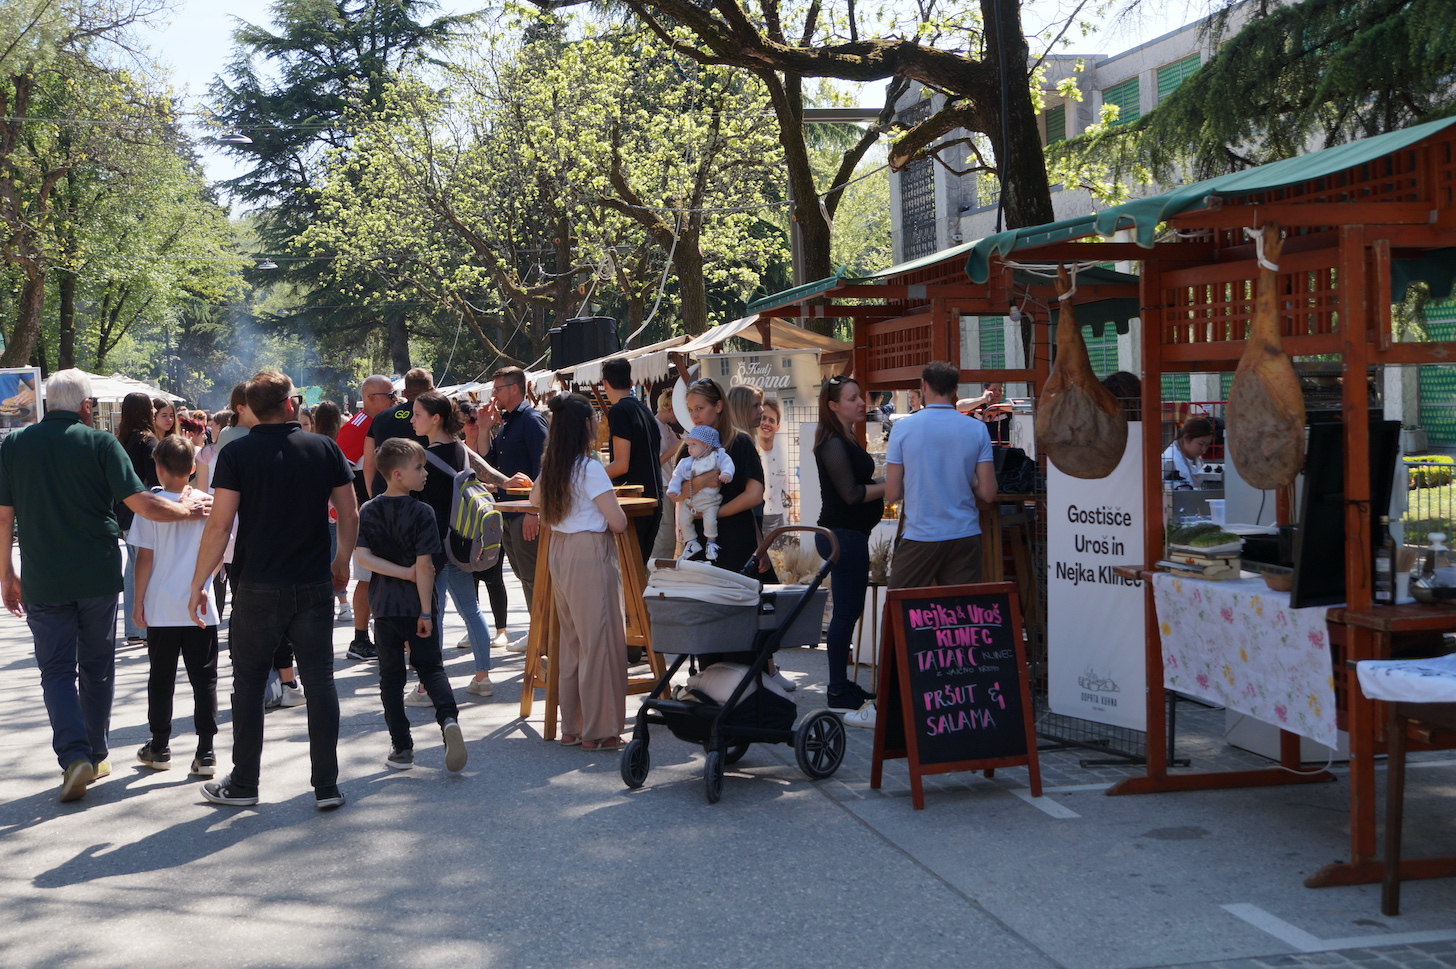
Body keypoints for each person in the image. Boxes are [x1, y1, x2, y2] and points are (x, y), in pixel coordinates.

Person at [0, 369, 211, 803]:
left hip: (42, 576)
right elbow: (143, 505)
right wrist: (190, 512)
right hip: (96, 573)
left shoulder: (14, 445)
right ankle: (95, 753)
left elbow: (4, 516)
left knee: (56, 670)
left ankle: (74, 754)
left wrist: (5, 572)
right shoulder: (100, 443)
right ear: (85, 406)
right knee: (96, 666)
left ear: (44, 404)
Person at [189, 370, 358, 811]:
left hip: (258, 584)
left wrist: (199, 581)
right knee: (320, 682)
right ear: (289, 404)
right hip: (314, 581)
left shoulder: (238, 453)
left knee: (247, 684)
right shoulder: (323, 447)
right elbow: (349, 511)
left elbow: (220, 524)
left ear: (250, 407)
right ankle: (326, 785)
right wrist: (341, 561)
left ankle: (244, 783)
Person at [355, 437, 467, 773]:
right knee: (431, 668)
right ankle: (448, 720)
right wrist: (425, 611)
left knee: (390, 679)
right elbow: (425, 566)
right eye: (418, 467)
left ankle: (402, 747)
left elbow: (363, 557)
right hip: (416, 605)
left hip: (384, 606)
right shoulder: (423, 512)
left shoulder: (369, 509)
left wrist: (398, 572)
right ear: (397, 474)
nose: (425, 473)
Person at [530, 393, 629, 752]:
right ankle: (600, 730)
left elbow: (535, 501)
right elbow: (617, 522)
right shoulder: (589, 468)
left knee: (572, 643)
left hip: (560, 550)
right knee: (599, 642)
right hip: (589, 551)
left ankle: (572, 726)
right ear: (586, 425)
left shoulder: (553, 465)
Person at [131, 435, 220, 776]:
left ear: (159, 467)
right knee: (204, 679)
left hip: (161, 603)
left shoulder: (150, 505)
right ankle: (205, 751)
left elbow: (144, 559)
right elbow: (218, 553)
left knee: (162, 676)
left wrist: (138, 602)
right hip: (200, 604)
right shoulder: (207, 503)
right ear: (194, 467)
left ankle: (160, 744)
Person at [409, 390, 503, 700]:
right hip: (463, 541)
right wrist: (506, 482)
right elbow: (483, 472)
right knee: (471, 610)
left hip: (434, 546)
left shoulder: (422, 458)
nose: (412, 420)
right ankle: (483, 677)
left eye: (417, 415)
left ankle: (427, 685)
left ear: (435, 419)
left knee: (433, 614)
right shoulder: (461, 449)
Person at [884, 360, 997, 589]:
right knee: (960, 616)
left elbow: (892, 492)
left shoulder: (902, 429)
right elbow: (988, 492)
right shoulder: (977, 429)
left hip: (921, 535)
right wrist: (969, 481)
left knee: (901, 611)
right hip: (964, 534)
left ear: (923, 385)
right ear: (955, 389)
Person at [813, 375, 886, 726]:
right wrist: (890, 486)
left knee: (848, 611)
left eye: (861, 397)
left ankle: (841, 685)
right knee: (845, 613)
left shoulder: (844, 438)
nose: (861, 402)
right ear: (833, 405)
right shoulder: (831, 444)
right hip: (841, 535)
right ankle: (838, 690)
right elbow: (852, 494)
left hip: (848, 534)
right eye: (852, 398)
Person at [678, 378, 772, 577]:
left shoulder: (740, 442)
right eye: (690, 409)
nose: (694, 415)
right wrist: (701, 482)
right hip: (700, 543)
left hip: (736, 539)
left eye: (700, 408)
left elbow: (754, 496)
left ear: (718, 406)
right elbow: (676, 494)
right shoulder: (687, 449)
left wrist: (715, 513)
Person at [483, 366, 547, 635]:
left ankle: (544, 636)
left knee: (534, 576)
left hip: (525, 512)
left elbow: (545, 467)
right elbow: (490, 467)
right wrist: (485, 429)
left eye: (497, 389)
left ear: (514, 389)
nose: (493, 394)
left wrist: (534, 510)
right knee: (524, 575)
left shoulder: (531, 419)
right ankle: (539, 633)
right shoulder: (508, 422)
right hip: (509, 512)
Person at [337, 375, 397, 658]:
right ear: (372, 398)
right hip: (366, 516)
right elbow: (338, 475)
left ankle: (377, 637)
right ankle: (360, 639)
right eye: (390, 394)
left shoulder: (378, 422)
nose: (395, 399)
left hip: (377, 512)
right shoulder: (356, 427)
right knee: (367, 578)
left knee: (377, 577)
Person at [454, 399, 511, 653]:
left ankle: (501, 630)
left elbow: (499, 479)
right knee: (469, 577)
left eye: (477, 419)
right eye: (471, 421)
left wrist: (488, 485)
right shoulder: (459, 451)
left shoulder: (491, 446)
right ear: (462, 425)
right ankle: (474, 628)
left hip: (489, 517)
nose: (475, 425)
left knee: (494, 575)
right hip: (465, 519)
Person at [600, 357, 662, 566]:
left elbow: (621, 464)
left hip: (634, 502)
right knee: (638, 571)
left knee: (628, 574)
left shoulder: (618, 411)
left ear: (605, 384)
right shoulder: (644, 410)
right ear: (630, 381)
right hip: (654, 498)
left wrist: (589, 476)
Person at [116, 393, 159, 647]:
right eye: (152, 406)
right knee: (142, 568)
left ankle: (134, 628)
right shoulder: (148, 440)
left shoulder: (121, 440)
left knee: (132, 568)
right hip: (141, 513)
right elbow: (155, 483)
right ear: (144, 409)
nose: (154, 410)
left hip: (123, 513)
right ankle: (141, 628)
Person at [667, 425, 735, 560]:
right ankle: (691, 541)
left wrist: (727, 473)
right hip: (691, 502)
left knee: (710, 521)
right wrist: (673, 489)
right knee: (684, 519)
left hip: (710, 501)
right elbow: (677, 476)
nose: (689, 447)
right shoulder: (686, 462)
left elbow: (728, 464)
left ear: (706, 446)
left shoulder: (717, 456)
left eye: (694, 444)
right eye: (689, 444)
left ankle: (711, 543)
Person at [364, 369, 431, 498]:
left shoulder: (380, 417)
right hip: (422, 493)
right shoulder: (432, 417)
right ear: (432, 391)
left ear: (405, 393)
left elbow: (369, 463)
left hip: (383, 491)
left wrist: (372, 497)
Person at [649, 388, 683, 561]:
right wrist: (676, 448)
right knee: (666, 531)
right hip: (662, 483)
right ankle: (659, 568)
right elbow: (656, 461)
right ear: (669, 408)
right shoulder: (656, 427)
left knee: (669, 530)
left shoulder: (667, 429)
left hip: (668, 483)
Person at [757, 397, 789, 534]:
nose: (766, 423)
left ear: (777, 426)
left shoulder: (784, 453)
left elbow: (790, 488)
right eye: (763, 418)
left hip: (778, 519)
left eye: (771, 420)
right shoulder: (749, 449)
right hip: (756, 518)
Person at [1162, 416, 1214, 490]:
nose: (1204, 449)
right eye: (1200, 444)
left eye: (1207, 445)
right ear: (1186, 438)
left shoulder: (1194, 456)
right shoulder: (1170, 461)